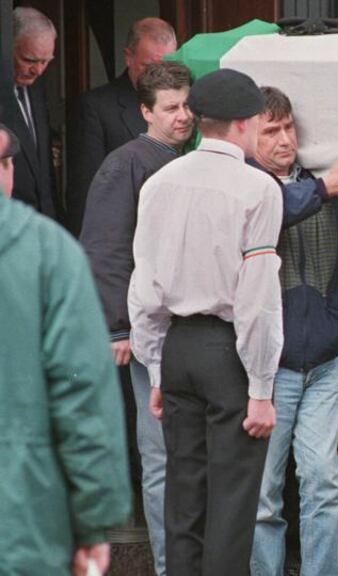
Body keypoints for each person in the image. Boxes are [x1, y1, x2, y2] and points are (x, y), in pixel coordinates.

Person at [128, 68, 283, 576]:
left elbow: (144, 284)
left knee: (184, 496)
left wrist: (154, 368)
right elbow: (257, 295)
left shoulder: (159, 182)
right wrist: (261, 386)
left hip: (177, 346)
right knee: (233, 504)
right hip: (228, 350)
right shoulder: (258, 188)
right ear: (247, 123)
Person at [0, 121, 132, 575]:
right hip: (21, 519)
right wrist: (95, 522)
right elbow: (82, 395)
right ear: (8, 169)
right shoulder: (48, 251)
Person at [79, 60, 193, 576]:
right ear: (145, 111)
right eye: (170, 108)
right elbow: (104, 248)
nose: (183, 116)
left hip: (192, 328)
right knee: (161, 457)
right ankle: (170, 566)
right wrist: (117, 327)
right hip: (147, 331)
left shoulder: (191, 157)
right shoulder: (125, 162)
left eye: (188, 104)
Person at [249, 86, 338, 576]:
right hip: (266, 370)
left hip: (323, 362)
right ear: (244, 134)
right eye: (270, 130)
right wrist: (325, 188)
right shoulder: (246, 185)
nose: (283, 140)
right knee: (263, 496)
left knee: (325, 485)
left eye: (288, 127)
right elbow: (273, 207)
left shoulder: (324, 182)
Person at [67, 17, 178, 236]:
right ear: (128, 57)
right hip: (122, 238)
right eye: (148, 66)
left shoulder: (184, 106)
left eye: (165, 67)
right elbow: (85, 191)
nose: (157, 76)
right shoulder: (97, 107)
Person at [3, 7, 59, 220]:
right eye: (30, 60)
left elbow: (43, 171)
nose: (38, 70)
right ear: (8, 48)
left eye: (46, 61)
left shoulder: (37, 89)